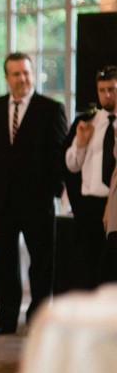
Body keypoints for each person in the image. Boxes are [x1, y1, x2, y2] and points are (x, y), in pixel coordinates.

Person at [0, 52, 68, 335]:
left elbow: (58, 155)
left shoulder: (50, 108)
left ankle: (38, 318)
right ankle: (6, 318)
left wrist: (56, 191)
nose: (22, 78)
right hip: (1, 198)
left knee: (41, 262)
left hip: (38, 200)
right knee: (4, 263)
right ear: (7, 77)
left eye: (26, 73)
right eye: (16, 74)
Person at [63, 66, 117, 288]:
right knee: (88, 267)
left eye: (112, 89)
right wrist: (82, 143)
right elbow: (71, 165)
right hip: (90, 206)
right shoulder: (88, 123)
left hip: (114, 205)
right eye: (102, 90)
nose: (106, 95)